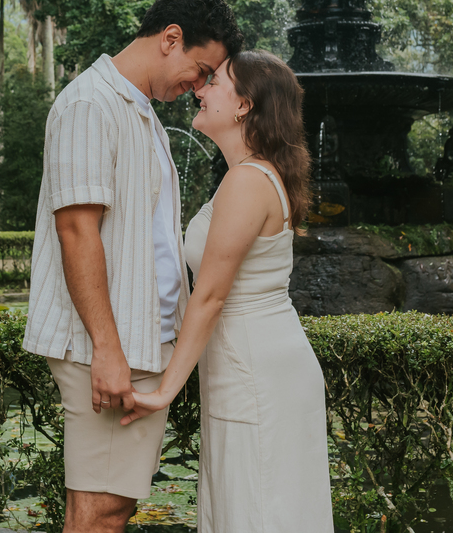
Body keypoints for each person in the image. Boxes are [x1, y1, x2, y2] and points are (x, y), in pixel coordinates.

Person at [23, 0, 243, 533]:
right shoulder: (88, 104)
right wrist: (108, 349)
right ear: (171, 38)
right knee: (102, 511)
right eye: (202, 68)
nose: (200, 86)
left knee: (103, 505)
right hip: (114, 345)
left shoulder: (139, 111)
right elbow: (77, 231)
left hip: (141, 340)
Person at [121, 50, 334, 532]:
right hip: (255, 361)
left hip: (253, 370)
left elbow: (212, 295)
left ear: (244, 105)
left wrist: (164, 392)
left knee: (255, 509)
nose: (199, 88)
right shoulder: (246, 176)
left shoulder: (247, 181)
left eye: (214, 82)